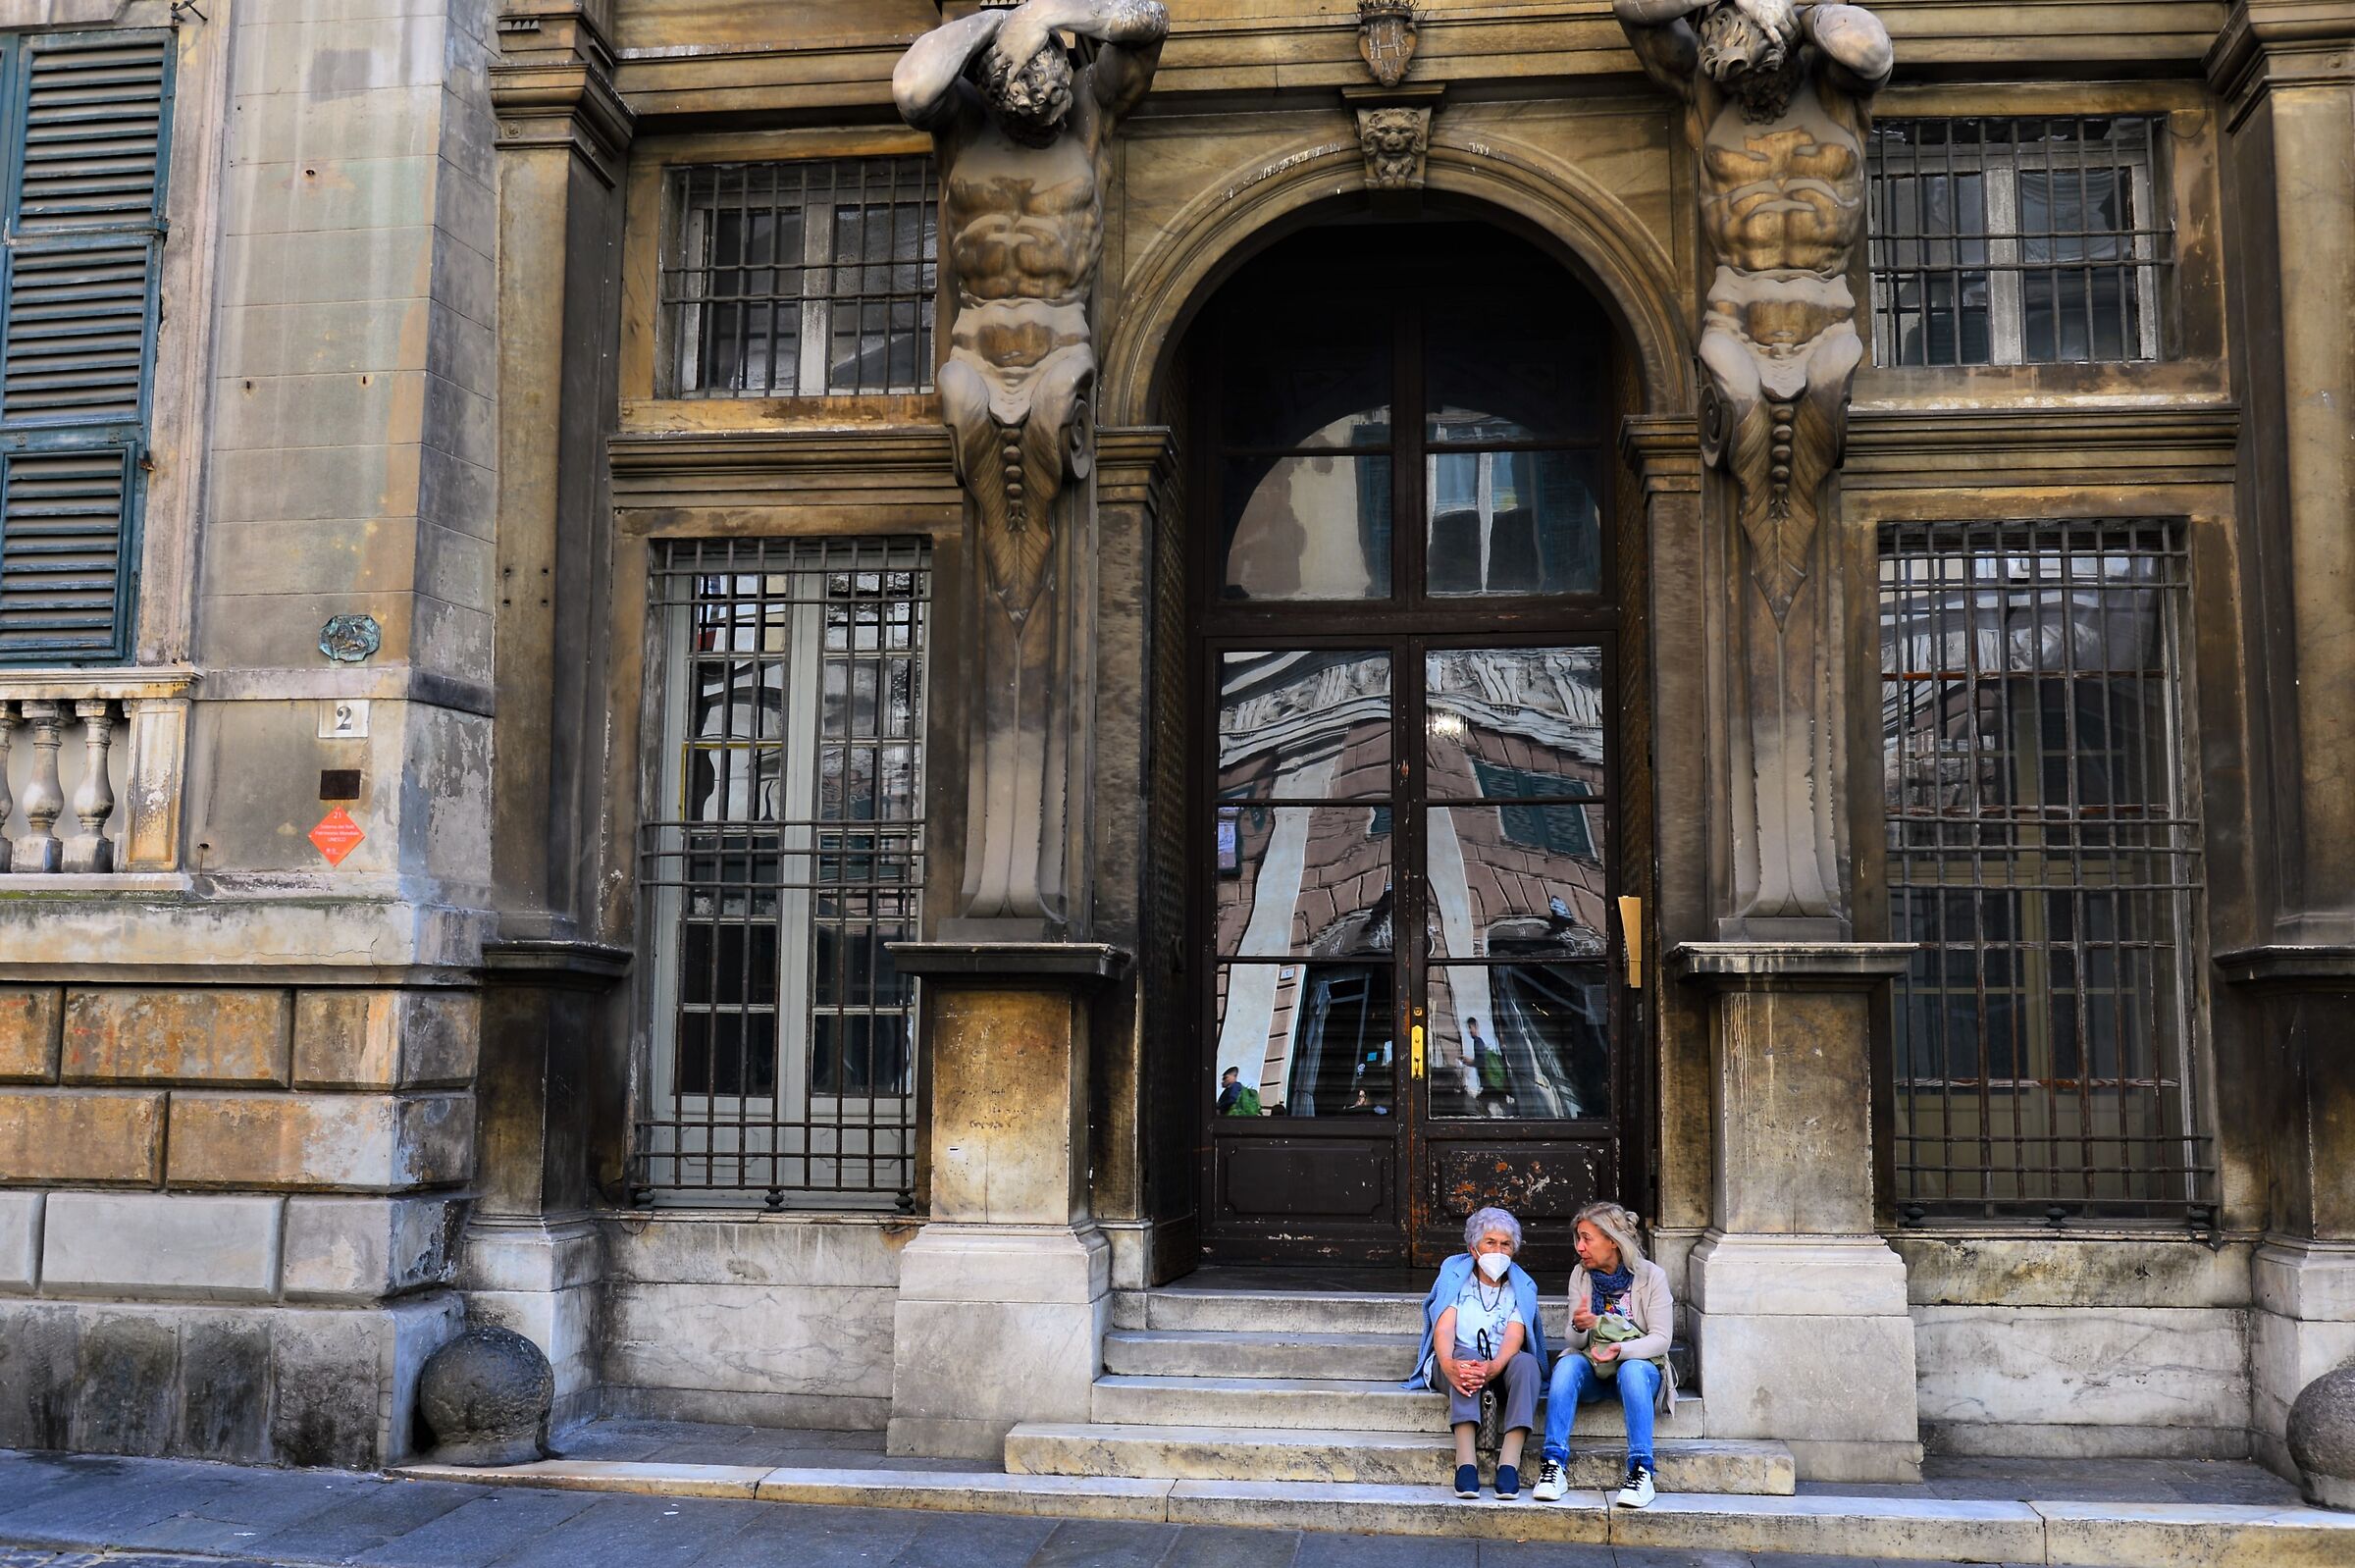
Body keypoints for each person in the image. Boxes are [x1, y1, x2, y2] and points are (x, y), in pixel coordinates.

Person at [1531, 1200, 1676, 1509]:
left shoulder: (1651, 1276)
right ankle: (1553, 1464)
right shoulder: (1581, 1275)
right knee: (1567, 1366)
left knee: (1632, 1369)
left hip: (1637, 1370)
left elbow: (1661, 1340)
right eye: (1578, 1238)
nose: (1579, 1247)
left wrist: (1620, 1350)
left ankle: (1641, 1470)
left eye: (1587, 1238)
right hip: (1594, 1367)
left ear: (1612, 1241)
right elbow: (1574, 1340)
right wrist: (1579, 1325)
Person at [1404, 1207, 1547, 1500]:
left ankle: (1509, 1463)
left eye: (1505, 1244)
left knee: (1527, 1364)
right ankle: (1466, 1463)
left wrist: (1496, 1365)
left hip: (1499, 1365)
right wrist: (1448, 1363)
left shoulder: (1522, 1286)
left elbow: (1515, 1334)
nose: (1498, 1250)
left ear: (1514, 1250)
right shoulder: (1455, 1277)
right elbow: (1444, 1328)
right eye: (1490, 1242)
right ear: (1474, 1248)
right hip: (1453, 1360)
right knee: (1467, 1362)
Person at [1467, 1016, 1510, 1116]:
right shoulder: (1479, 1042)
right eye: (1468, 1028)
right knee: (1501, 1106)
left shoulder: (1478, 1042)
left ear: (1476, 1027)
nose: (1469, 1031)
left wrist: (1470, 1062)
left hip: (1490, 1084)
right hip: (1493, 1084)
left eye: (1470, 1027)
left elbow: (1481, 1062)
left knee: (1480, 1104)